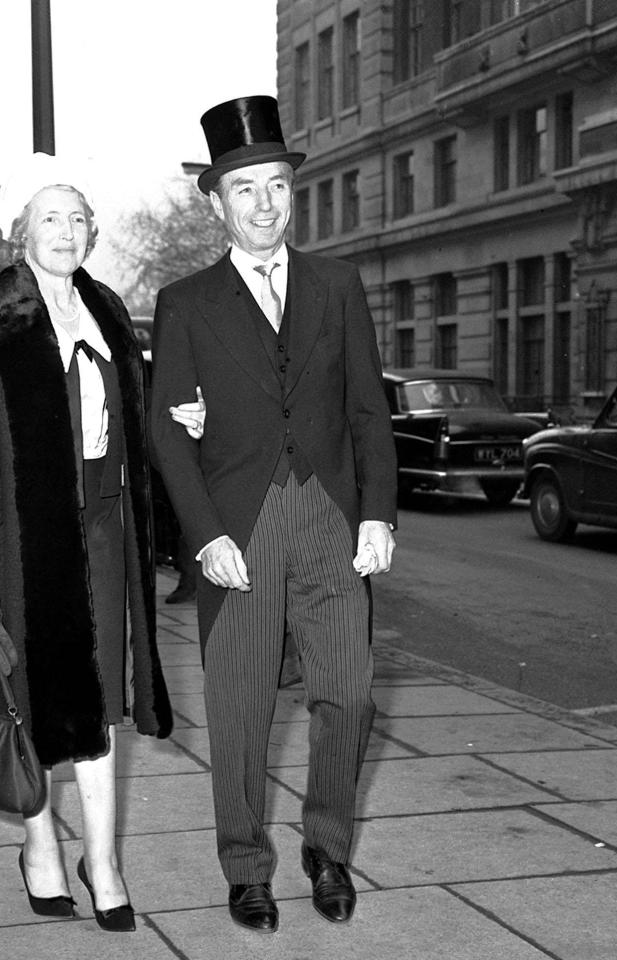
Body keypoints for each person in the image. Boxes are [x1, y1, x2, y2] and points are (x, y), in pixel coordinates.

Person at [149, 96, 398, 933]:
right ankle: (245, 864)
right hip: (239, 529)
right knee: (242, 709)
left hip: (331, 519)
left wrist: (379, 514)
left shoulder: (337, 284)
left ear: (294, 193)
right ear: (215, 203)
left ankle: (326, 846)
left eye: (276, 186)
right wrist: (203, 534)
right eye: (244, 189)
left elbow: (367, 408)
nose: (263, 204)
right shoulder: (185, 302)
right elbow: (165, 428)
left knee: (350, 698)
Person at [0, 154, 173, 933]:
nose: (66, 232)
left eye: (77, 218)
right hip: (18, 537)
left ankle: (101, 860)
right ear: (20, 233)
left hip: (102, 528)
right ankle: (40, 845)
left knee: (100, 699)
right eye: (50, 218)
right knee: (32, 699)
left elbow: (135, 422)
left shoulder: (107, 310)